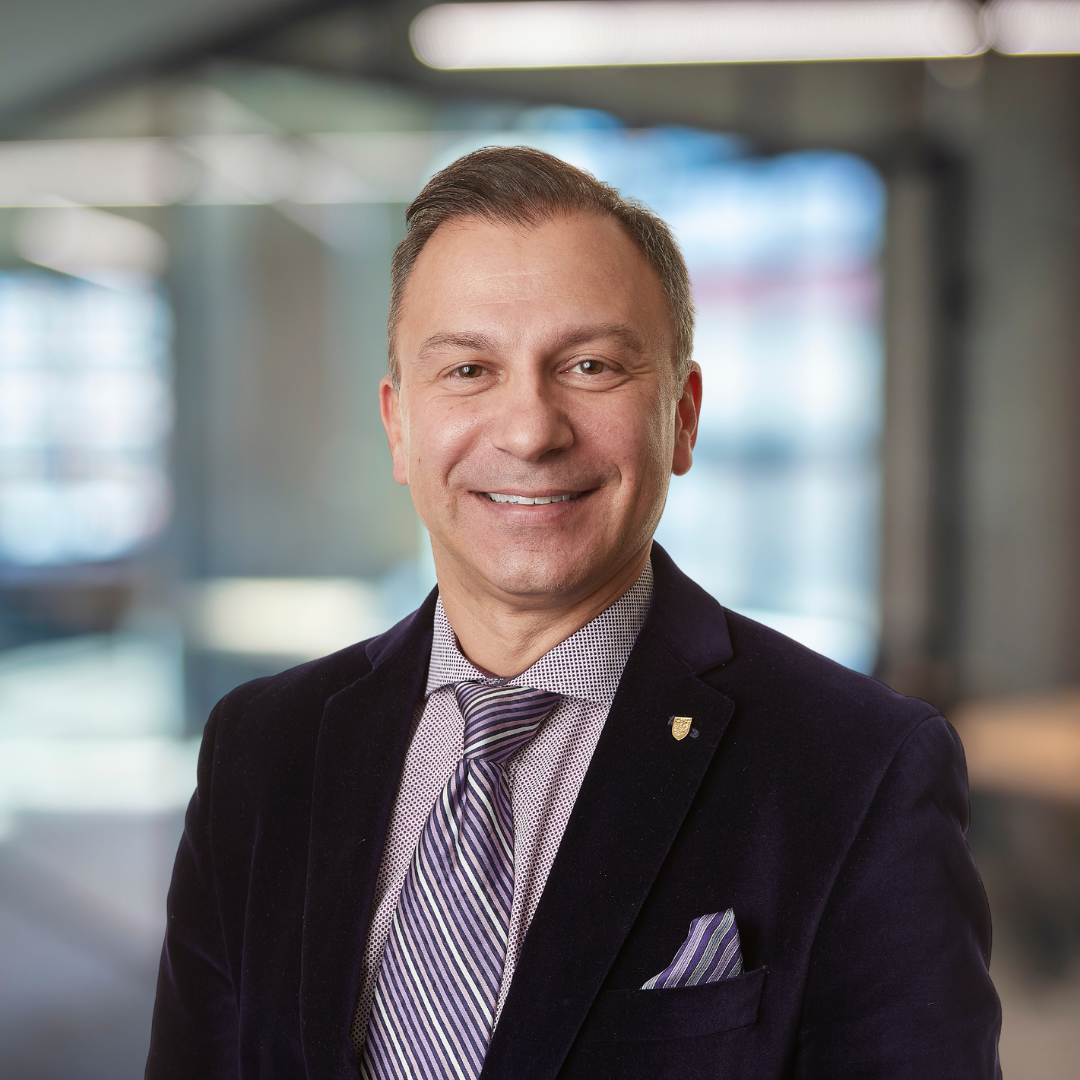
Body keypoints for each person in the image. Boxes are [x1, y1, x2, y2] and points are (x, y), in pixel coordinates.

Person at [145, 146, 1001, 1080]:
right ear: (398, 425)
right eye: (468, 370)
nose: (529, 430)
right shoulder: (264, 749)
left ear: (681, 414)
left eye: (590, 365)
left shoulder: (859, 769)